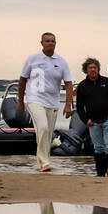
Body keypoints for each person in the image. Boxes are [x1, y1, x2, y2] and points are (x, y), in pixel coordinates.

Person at [17, 32, 73, 173]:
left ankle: (45, 161)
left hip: (52, 102)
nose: (50, 43)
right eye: (47, 41)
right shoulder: (32, 59)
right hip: (34, 99)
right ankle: (44, 162)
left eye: (53, 41)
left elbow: (68, 83)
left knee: (47, 134)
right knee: (42, 127)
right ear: (41, 43)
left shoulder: (61, 61)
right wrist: (20, 102)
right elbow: (22, 80)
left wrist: (68, 104)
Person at [75, 57, 108, 177]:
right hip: (93, 122)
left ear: (98, 69)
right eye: (90, 68)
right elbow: (79, 106)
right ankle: (100, 173)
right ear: (86, 70)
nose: (93, 70)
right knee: (98, 147)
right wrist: (86, 120)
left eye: (95, 67)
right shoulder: (82, 86)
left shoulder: (107, 82)